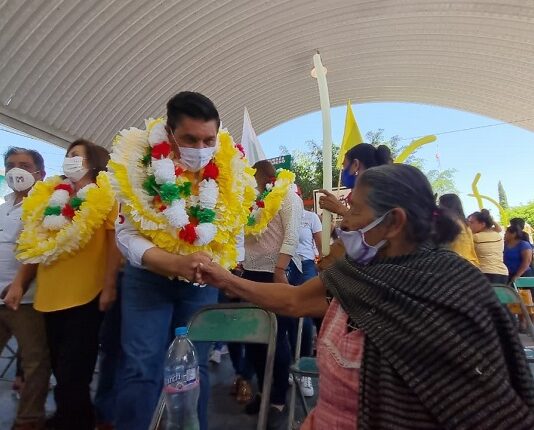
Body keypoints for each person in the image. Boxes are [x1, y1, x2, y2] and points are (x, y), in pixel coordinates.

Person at [197, 163, 534, 430]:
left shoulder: (454, 288)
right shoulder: (354, 273)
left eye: (354, 211)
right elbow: (294, 300)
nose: (344, 224)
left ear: (394, 222)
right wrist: (226, 279)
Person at [108, 92, 256, 430]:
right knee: (141, 367)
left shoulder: (230, 170)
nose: (201, 148)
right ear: (169, 133)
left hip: (200, 285)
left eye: (208, 140)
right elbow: (125, 235)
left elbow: (234, 229)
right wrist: (172, 263)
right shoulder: (138, 163)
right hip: (147, 281)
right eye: (190, 139)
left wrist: (227, 268)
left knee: (194, 369)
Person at [5, 140, 121, 430]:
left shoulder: (107, 195)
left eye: (76, 155)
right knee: (59, 366)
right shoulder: (52, 198)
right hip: (48, 294)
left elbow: (113, 247)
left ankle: (74, 422)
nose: (69, 159)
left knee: (74, 370)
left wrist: (109, 286)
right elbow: (34, 246)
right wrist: (19, 283)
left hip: (86, 293)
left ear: (93, 162)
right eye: (68, 154)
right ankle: (69, 417)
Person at [242, 160, 303, 428]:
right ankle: (262, 390)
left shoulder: (288, 195)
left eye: (253, 179)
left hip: (277, 273)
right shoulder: (253, 201)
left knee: (276, 339)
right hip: (251, 274)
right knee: (253, 339)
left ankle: (278, 397)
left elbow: (292, 235)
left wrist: (280, 269)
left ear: (265, 177)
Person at [0, 147, 50, 430]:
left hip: (26, 300)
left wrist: (19, 284)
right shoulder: (3, 205)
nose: (15, 170)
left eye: (24, 165)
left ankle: (28, 421)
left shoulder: (46, 206)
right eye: (10, 165)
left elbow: (38, 250)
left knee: (35, 362)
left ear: (40, 173)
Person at [287, 207, 322, 397]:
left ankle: (305, 370)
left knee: (306, 317)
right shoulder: (281, 215)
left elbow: (321, 246)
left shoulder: (311, 217)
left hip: (307, 265)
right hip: (285, 265)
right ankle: (294, 363)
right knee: (289, 317)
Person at [318, 143, 392, 217]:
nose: (343, 171)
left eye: (344, 165)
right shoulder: (382, 190)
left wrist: (340, 209)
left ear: (355, 165)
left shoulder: (377, 196)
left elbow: (370, 222)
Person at [468, 209, 508, 284]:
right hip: (502, 273)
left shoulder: (475, 237)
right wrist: (489, 219)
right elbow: (498, 229)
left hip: (485, 273)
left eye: (471, 222)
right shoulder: (497, 235)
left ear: (483, 224)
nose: (469, 225)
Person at [438, 193, 479, 267]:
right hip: (470, 264)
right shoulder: (465, 224)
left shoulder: (451, 222)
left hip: (458, 264)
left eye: (440, 205)